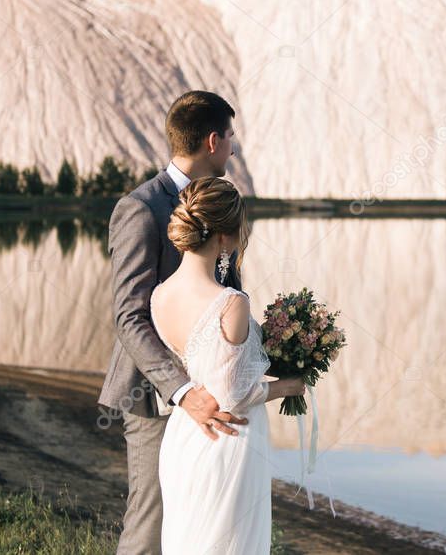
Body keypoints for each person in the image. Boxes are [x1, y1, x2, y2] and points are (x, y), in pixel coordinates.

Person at [98, 90, 256, 553]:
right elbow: (129, 315)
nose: (233, 146)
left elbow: (226, 296)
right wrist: (183, 392)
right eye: (229, 137)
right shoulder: (141, 208)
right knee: (151, 526)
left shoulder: (218, 202)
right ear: (212, 141)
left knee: (206, 523)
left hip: (215, 392)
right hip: (154, 395)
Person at [151, 176, 303, 553]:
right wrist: (290, 386)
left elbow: (208, 367)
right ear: (223, 237)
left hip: (185, 436)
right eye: (238, 230)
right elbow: (233, 394)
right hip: (228, 444)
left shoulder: (159, 295)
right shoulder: (231, 302)